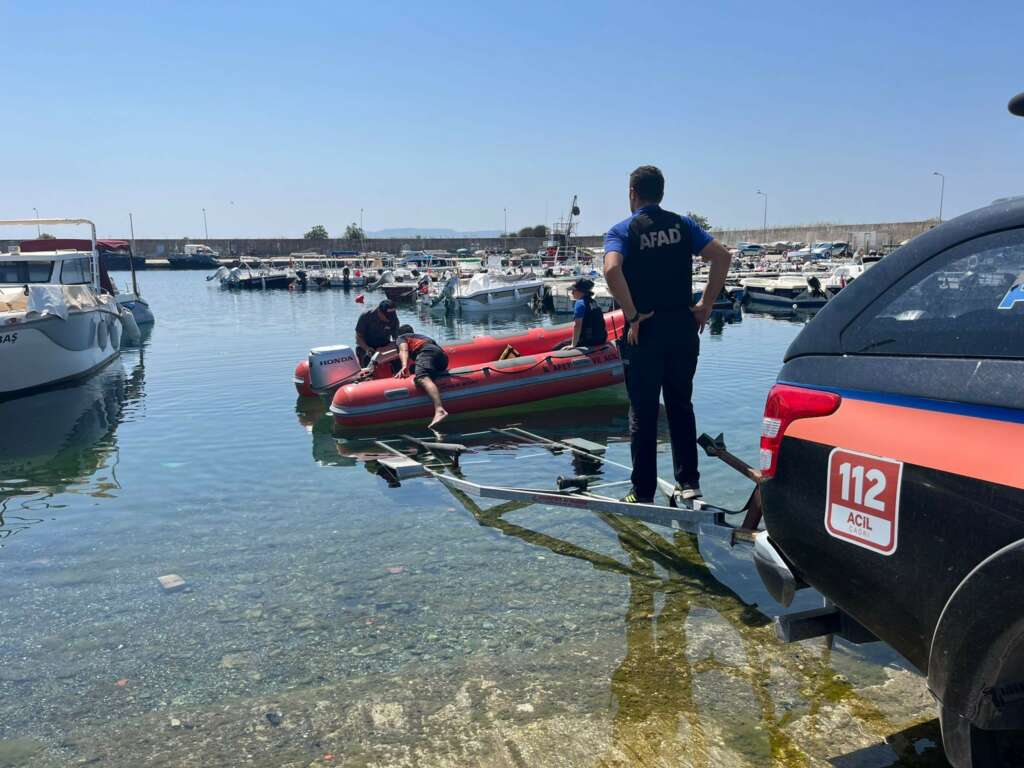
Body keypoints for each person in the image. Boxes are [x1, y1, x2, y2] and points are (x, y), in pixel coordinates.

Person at [603, 165, 732, 505]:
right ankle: (689, 482)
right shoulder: (683, 225)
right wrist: (705, 304)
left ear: (632, 193)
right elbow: (721, 256)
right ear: (661, 193)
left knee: (643, 413)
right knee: (680, 405)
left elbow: (612, 269)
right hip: (682, 328)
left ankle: (642, 492)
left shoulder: (623, 230)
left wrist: (631, 314)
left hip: (644, 331)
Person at [394, 324, 449, 428]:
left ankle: (439, 410)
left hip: (427, 352)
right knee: (418, 370)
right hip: (442, 358)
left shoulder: (401, 338)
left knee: (421, 377)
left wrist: (404, 366)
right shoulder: (419, 337)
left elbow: (403, 350)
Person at [355, 300, 399, 367]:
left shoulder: (394, 320)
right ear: (379, 311)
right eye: (387, 316)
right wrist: (367, 348)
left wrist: (386, 349)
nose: (389, 319)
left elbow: (396, 340)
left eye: (391, 316)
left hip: (384, 347)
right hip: (366, 347)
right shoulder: (366, 316)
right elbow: (358, 337)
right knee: (367, 358)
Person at [570, 277, 609, 348]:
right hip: (601, 339)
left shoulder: (580, 303)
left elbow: (577, 325)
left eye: (573, 290)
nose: (571, 293)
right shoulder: (593, 302)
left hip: (588, 341)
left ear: (581, 291)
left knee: (558, 346)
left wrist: (573, 345)